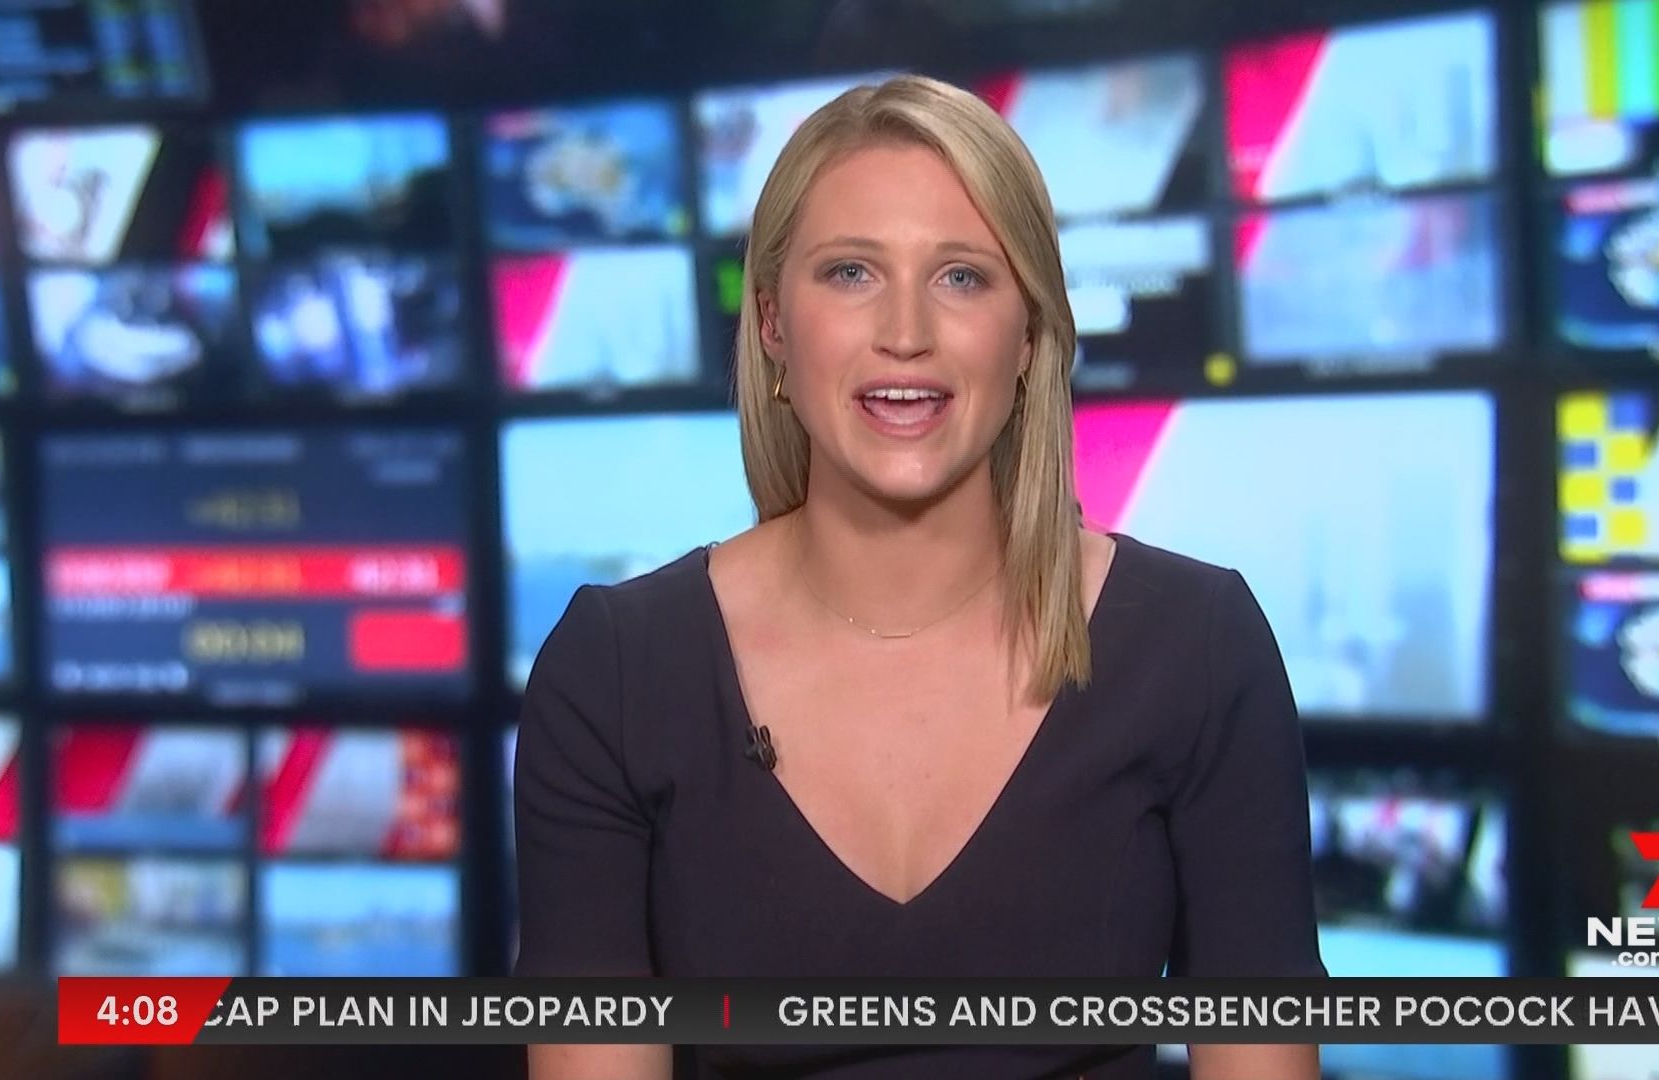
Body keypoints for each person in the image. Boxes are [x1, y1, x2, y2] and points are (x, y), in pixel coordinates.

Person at [514, 73, 1325, 1079]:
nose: (906, 331)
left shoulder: (1197, 648)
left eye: (963, 277)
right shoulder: (617, 674)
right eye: (851, 272)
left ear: (1030, 335)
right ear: (772, 324)